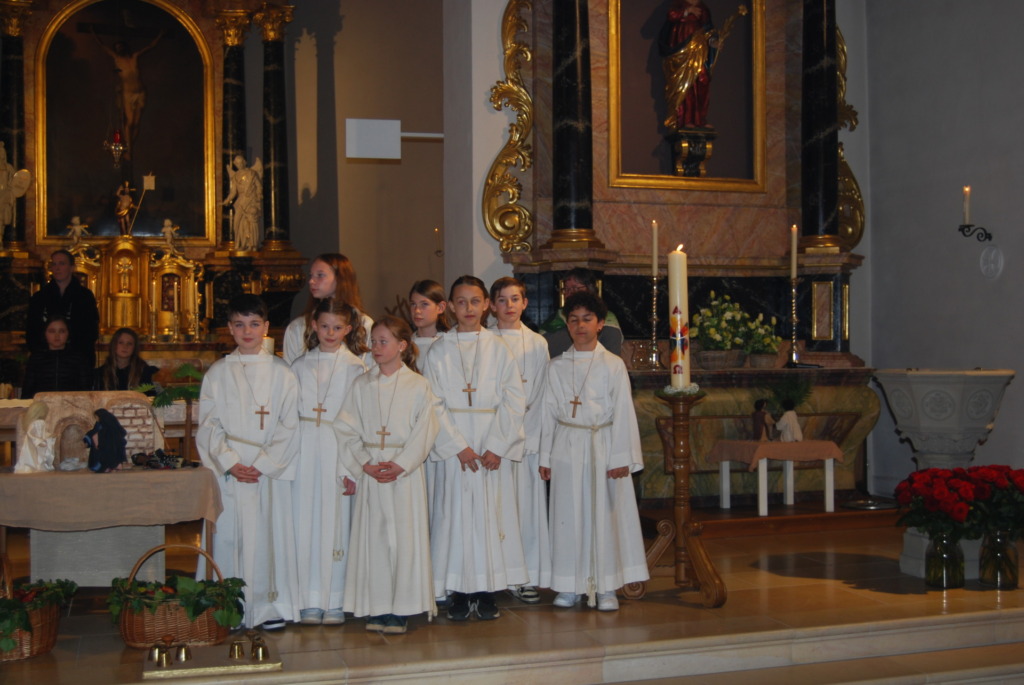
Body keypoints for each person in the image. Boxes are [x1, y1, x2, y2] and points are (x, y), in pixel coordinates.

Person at [422, 275, 527, 621]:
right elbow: (432, 403)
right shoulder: (439, 350)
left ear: (486, 305)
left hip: (489, 443)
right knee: (454, 516)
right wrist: (458, 446)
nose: (468, 308)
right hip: (456, 447)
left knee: (489, 516)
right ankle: (455, 589)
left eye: (475, 301)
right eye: (461, 302)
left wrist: (497, 445)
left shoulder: (500, 349)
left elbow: (514, 400)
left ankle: (484, 590)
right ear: (450, 307)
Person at [196, 294, 300, 630]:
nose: (247, 330)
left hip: (265, 470)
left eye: (255, 324)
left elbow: (290, 423)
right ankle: (228, 608)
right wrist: (228, 461)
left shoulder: (282, 373)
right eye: (239, 324)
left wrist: (265, 463)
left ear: (267, 327)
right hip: (233, 471)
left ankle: (269, 607)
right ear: (229, 328)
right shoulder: (217, 373)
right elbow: (208, 424)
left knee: (268, 537)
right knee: (229, 537)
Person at [540, 291, 649, 611]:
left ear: (600, 324)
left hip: (603, 446)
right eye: (573, 320)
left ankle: (606, 586)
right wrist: (545, 457)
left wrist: (621, 458)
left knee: (606, 517)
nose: (580, 325)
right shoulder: (556, 367)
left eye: (587, 319)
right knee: (567, 516)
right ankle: (569, 585)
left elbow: (624, 412)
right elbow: (547, 414)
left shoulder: (613, 365)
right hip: (567, 446)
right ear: (566, 325)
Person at [336, 315, 440, 635]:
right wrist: (364, 463)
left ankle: (402, 607)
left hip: (404, 476)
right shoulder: (361, 384)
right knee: (375, 540)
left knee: (404, 540)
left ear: (402, 346)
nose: (376, 347)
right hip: (372, 473)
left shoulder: (418, 385)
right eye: (374, 341)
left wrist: (402, 463)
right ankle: (378, 606)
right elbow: (345, 428)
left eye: (383, 341)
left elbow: (426, 429)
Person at [290, 299, 367, 626]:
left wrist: (351, 468)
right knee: (304, 525)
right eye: (324, 327)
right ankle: (308, 598)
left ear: (348, 330)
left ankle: (334, 599)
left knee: (337, 525)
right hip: (306, 451)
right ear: (313, 326)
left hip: (339, 451)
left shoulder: (357, 368)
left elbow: (360, 421)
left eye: (337, 328)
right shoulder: (298, 366)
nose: (330, 333)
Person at [488, 276, 550, 604]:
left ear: (525, 303)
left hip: (525, 439)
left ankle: (525, 574)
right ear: (491, 305)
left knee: (525, 509)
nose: (509, 306)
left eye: (515, 299)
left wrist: (535, 442)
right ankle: (497, 572)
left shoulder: (537, 344)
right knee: (497, 508)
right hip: (495, 440)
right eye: (502, 300)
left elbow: (540, 396)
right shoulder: (486, 340)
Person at [283, 254, 373, 364]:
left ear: (341, 279)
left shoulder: (364, 324)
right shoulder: (298, 326)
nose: (311, 281)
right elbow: (291, 371)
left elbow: (371, 369)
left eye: (320, 275)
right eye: (311, 275)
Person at [93, 29, 164, 160]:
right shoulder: (117, 59)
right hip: (128, 93)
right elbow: (103, 47)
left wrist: (160, 35)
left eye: (121, 46)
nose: (119, 49)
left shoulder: (134, 57)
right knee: (129, 122)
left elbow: (150, 46)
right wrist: (94, 33)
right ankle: (128, 151)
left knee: (136, 123)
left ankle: (130, 147)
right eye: (117, 47)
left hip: (140, 92)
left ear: (125, 48)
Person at [26, 249, 100, 369]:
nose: (57, 268)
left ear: (72, 268)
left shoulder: (84, 296)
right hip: (46, 359)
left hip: (77, 359)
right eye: (54, 264)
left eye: (62, 263)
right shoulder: (40, 297)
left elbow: (90, 330)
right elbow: (32, 329)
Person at [539, 268, 623, 358]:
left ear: (590, 290)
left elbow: (612, 356)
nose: (569, 293)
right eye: (566, 289)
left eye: (575, 288)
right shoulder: (554, 319)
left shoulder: (607, 320)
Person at [660, 0, 716, 131]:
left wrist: (714, 42)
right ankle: (684, 120)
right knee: (686, 85)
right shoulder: (679, 4)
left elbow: (709, 29)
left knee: (702, 80)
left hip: (699, 50)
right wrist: (687, 12)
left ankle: (700, 120)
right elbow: (671, 15)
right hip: (682, 52)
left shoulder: (703, 7)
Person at [21, 316, 91, 399]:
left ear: (68, 333)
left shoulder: (78, 358)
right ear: (45, 333)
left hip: (71, 406)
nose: (57, 336)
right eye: (52, 331)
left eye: (62, 331)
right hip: (42, 406)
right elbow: (27, 390)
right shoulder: (36, 358)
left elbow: (86, 390)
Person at [94, 327, 159, 395]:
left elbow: (150, 398)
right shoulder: (101, 373)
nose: (125, 347)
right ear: (114, 345)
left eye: (129, 343)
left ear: (134, 347)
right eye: (121, 342)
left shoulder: (144, 372)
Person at [223, 155, 263, 252]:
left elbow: (259, 187)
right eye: (237, 163)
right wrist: (226, 200)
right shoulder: (235, 176)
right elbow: (233, 192)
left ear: (244, 162)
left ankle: (250, 244)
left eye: (240, 162)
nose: (239, 164)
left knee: (248, 223)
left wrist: (258, 197)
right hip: (240, 201)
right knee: (236, 223)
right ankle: (239, 243)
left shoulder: (252, 173)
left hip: (251, 200)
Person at [408, 279, 449, 358]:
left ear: (441, 307)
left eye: (424, 304)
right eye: (413, 304)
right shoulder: (405, 345)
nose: (417, 310)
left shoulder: (449, 343)